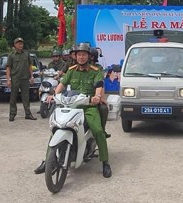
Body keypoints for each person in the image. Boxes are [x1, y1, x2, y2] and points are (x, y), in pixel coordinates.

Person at [34, 43, 112, 178]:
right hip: (72, 105)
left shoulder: (96, 71)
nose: (81, 57)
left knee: (98, 130)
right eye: (79, 54)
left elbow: (99, 87)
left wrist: (97, 97)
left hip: (88, 107)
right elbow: (62, 84)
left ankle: (105, 162)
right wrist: (54, 95)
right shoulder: (72, 70)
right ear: (75, 56)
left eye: (84, 54)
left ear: (89, 56)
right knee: (57, 127)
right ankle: (48, 161)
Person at [6, 37, 37, 121]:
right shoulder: (11, 55)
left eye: (21, 43)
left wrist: (32, 76)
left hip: (25, 78)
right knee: (13, 97)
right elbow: (8, 68)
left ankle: (28, 114)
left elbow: (30, 66)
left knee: (26, 97)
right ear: (15, 45)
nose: (20, 45)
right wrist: (8, 80)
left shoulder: (26, 54)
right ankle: (12, 114)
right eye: (19, 43)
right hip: (15, 78)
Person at [90, 47, 111, 138]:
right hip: (77, 97)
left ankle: (102, 130)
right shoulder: (76, 67)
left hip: (93, 95)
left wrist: (100, 97)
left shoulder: (98, 69)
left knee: (103, 108)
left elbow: (100, 84)